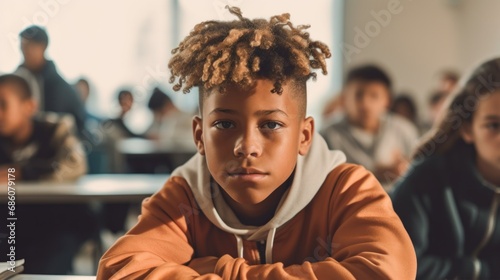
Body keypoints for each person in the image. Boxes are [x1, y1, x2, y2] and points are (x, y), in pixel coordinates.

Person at [97, 7, 416, 279]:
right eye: (224, 124)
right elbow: (119, 270)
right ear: (199, 136)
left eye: (271, 125)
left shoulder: (345, 189)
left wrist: (219, 269)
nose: (246, 146)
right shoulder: (185, 197)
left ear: (304, 136)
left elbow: (386, 271)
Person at [391, 58, 500, 279]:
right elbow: (402, 268)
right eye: (494, 125)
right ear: (468, 129)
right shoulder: (425, 180)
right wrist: (483, 271)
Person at [0, 74, 94, 274]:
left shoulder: (55, 128)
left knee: (48, 263)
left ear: (29, 106)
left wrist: (22, 172)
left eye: (3, 104)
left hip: (57, 223)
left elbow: (75, 165)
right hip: (11, 224)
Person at [320, 65, 419, 190]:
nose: (365, 104)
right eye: (358, 95)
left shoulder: (404, 130)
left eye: (374, 96)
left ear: (387, 101)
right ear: (344, 98)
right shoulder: (327, 134)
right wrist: (377, 174)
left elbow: (418, 170)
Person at [15, 25, 86, 136]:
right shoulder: (18, 79)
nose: (25, 54)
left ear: (43, 47)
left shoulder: (59, 88)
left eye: (29, 48)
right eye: (23, 49)